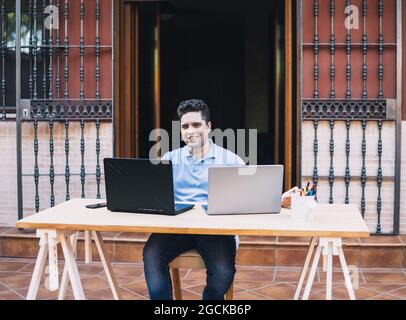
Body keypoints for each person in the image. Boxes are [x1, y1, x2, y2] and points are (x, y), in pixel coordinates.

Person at [142, 99, 297, 300]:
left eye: (196, 125)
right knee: (151, 255)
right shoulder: (169, 159)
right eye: (185, 126)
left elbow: (252, 195)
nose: (190, 131)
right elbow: (153, 195)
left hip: (216, 231)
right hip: (176, 229)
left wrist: (278, 199)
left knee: (223, 271)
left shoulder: (231, 160)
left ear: (209, 127)